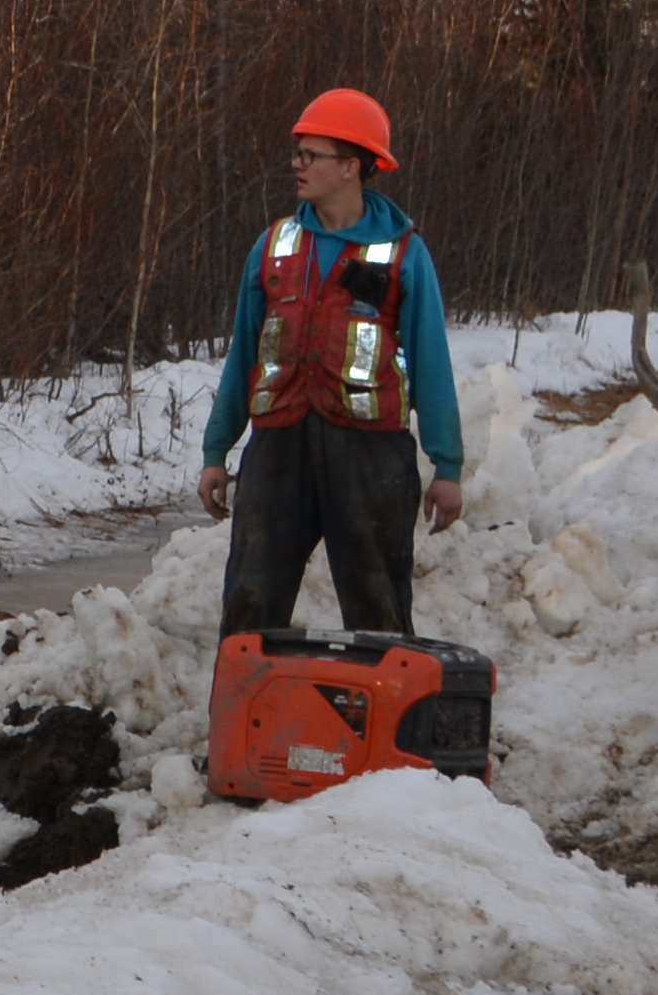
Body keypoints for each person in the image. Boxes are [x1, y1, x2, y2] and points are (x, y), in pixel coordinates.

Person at [198, 86, 467, 640]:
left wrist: (447, 467)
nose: (296, 164)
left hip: (370, 458)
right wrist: (215, 451)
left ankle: (383, 724)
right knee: (251, 602)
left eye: (310, 154)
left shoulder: (403, 253)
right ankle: (247, 722)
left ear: (350, 166)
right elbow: (243, 355)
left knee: (379, 611)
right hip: (279, 450)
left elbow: (431, 363)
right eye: (297, 152)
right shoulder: (274, 244)